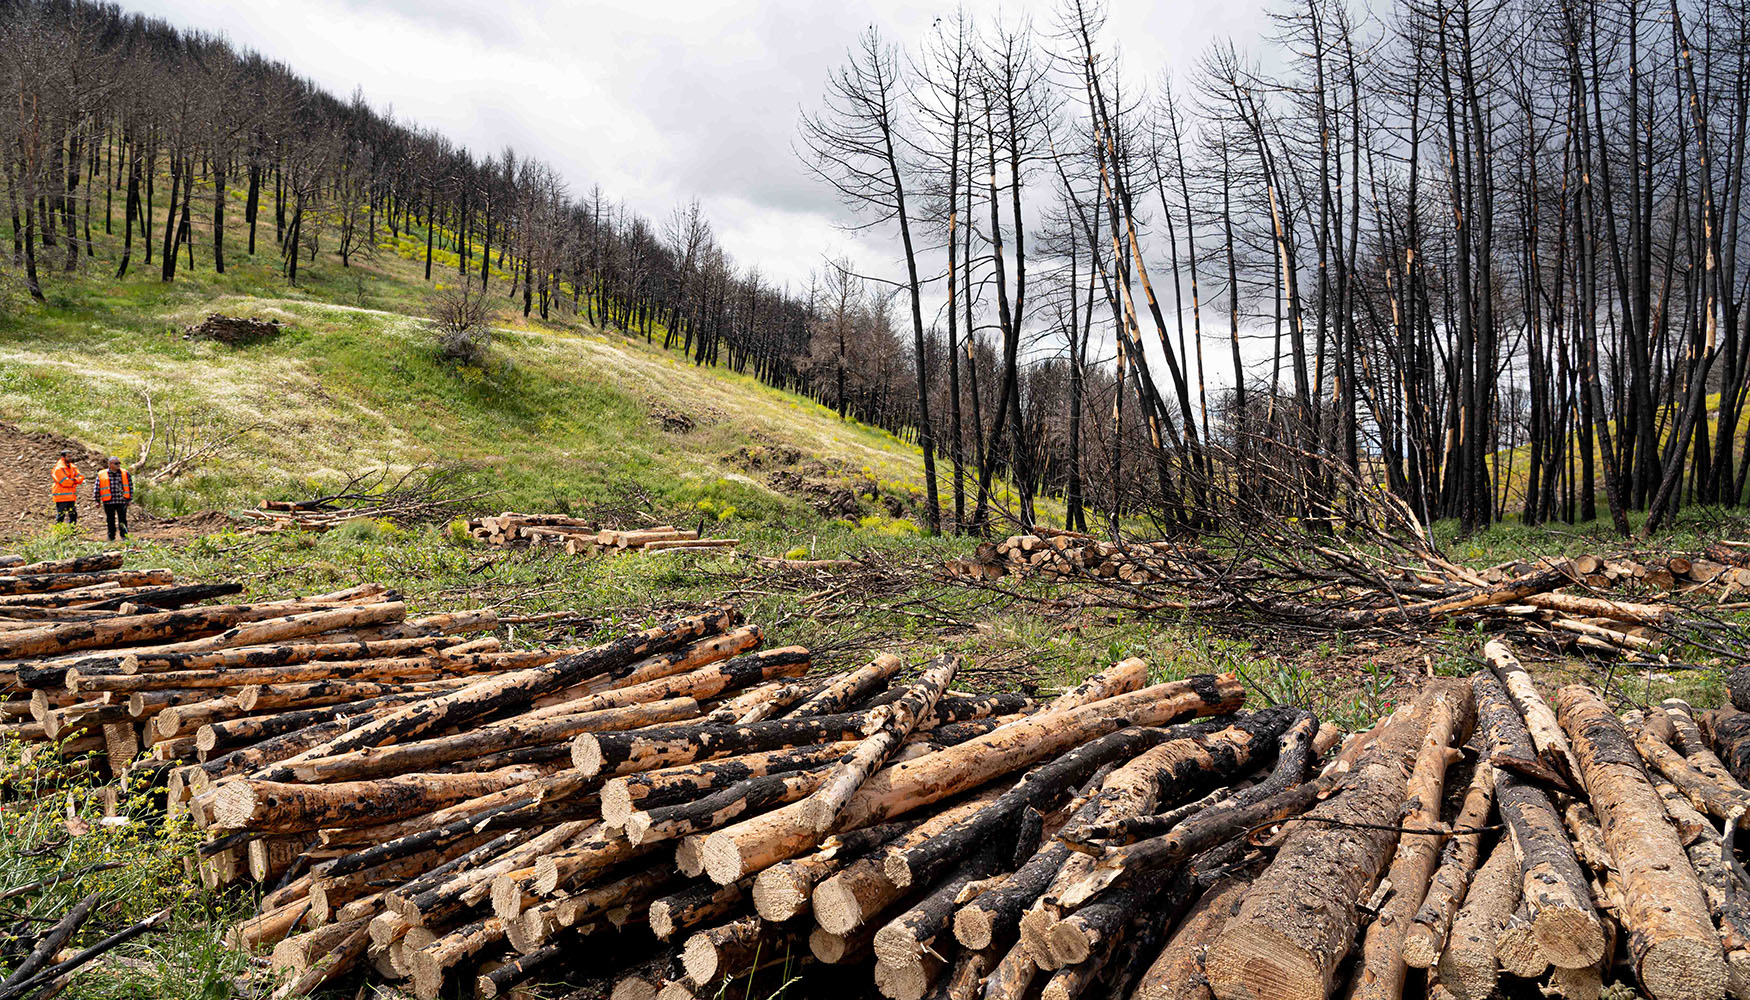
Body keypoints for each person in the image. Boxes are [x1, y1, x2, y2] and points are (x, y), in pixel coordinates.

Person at [93, 456, 132, 541]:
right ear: (110, 464)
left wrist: (129, 499)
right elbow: (97, 488)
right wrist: (97, 500)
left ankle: (124, 536)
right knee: (110, 520)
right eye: (116, 463)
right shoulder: (102, 474)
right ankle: (111, 537)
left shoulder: (125, 473)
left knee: (123, 520)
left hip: (122, 501)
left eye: (119, 463)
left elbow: (130, 486)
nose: (118, 465)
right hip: (108, 502)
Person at [51, 450, 84, 524]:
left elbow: (81, 477)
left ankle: (72, 532)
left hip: (71, 496)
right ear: (63, 457)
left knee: (73, 515)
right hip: (61, 496)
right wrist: (75, 481)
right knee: (61, 516)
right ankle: (58, 533)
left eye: (71, 456)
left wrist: (73, 480)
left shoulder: (72, 467)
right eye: (68, 457)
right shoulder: (58, 469)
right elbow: (65, 482)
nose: (70, 458)